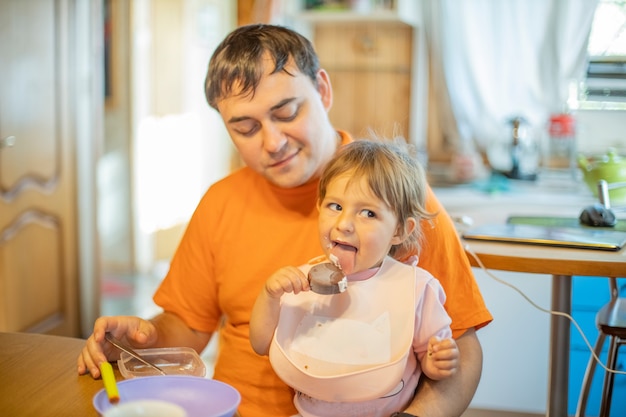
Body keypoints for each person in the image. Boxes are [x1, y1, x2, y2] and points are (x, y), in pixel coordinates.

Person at [78, 24, 492, 417]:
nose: (272, 143)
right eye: (245, 128)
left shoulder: (396, 200)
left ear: (323, 90)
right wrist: (136, 343)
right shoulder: (221, 202)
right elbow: (187, 324)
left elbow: (462, 346)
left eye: (287, 112)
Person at [249, 138, 459, 417]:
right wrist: (270, 295)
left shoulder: (416, 289)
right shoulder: (298, 283)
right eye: (335, 206)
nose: (344, 224)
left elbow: (431, 358)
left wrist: (437, 362)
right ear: (319, 206)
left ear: (399, 230)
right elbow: (260, 343)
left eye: (368, 213)